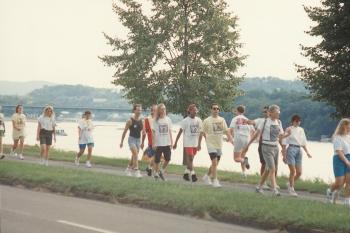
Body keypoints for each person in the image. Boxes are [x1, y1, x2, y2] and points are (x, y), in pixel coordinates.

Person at [245, 105, 290, 196]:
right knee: (272, 168)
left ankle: (259, 187)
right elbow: (256, 134)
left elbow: (280, 136)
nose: (278, 114)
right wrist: (248, 144)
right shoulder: (265, 122)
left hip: (275, 147)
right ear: (271, 113)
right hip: (266, 147)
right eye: (277, 112)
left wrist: (287, 135)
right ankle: (274, 190)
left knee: (268, 169)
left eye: (279, 112)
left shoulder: (279, 122)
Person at [198, 103, 233, 188]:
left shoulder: (222, 120)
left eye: (217, 109)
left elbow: (227, 131)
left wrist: (231, 139)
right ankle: (215, 181)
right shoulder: (207, 120)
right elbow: (201, 133)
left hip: (219, 144)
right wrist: (198, 144)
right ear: (211, 110)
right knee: (214, 162)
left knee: (215, 163)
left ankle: (207, 176)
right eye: (214, 108)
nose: (216, 110)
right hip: (210, 144)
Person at [282, 115, 312, 197]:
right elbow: (284, 143)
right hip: (291, 149)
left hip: (299, 150)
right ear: (292, 121)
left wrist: (307, 152)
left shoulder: (301, 130)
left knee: (299, 172)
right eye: (296, 121)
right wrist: (284, 156)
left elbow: (303, 142)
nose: (298, 122)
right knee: (292, 171)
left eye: (299, 121)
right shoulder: (289, 129)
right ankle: (291, 189)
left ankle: (289, 183)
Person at [173, 104, 202, 182]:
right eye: (194, 110)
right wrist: (175, 142)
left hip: (195, 143)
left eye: (196, 110)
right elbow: (180, 132)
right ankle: (193, 174)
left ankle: (186, 174)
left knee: (191, 160)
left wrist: (199, 144)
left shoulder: (198, 120)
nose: (195, 111)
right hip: (187, 143)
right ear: (190, 111)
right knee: (191, 158)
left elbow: (201, 132)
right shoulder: (185, 121)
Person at [326, 118, 350, 205]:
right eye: (347, 125)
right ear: (342, 126)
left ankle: (347, 201)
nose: (349, 127)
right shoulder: (337, 137)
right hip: (339, 159)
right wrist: (346, 161)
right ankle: (330, 191)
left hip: (349, 157)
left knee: (348, 181)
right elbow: (339, 151)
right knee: (340, 182)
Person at [120, 104, 145, 178]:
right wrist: (121, 142)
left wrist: (143, 142)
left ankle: (128, 169)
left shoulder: (142, 120)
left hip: (138, 140)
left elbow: (143, 132)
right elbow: (124, 132)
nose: (139, 111)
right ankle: (136, 171)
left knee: (134, 156)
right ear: (134, 111)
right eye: (137, 110)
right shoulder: (130, 121)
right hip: (131, 140)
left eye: (140, 110)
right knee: (136, 154)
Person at [230, 105, 254, 178]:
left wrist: (231, 138)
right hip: (247, 139)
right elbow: (253, 131)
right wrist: (250, 140)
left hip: (238, 138)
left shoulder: (235, 118)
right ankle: (244, 173)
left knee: (236, 158)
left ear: (237, 111)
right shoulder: (247, 119)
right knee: (242, 156)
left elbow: (231, 129)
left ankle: (244, 161)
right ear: (244, 111)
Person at [152, 103, 173, 181]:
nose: (164, 110)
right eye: (162, 109)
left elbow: (170, 131)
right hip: (159, 143)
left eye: (165, 108)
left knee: (168, 159)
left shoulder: (168, 119)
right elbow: (153, 132)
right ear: (159, 110)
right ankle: (156, 174)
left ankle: (161, 171)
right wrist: (153, 143)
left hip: (167, 143)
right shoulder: (156, 120)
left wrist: (172, 142)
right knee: (157, 160)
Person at [141, 105, 157, 176]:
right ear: (152, 111)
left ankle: (149, 168)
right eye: (155, 110)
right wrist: (142, 142)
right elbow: (144, 133)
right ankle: (150, 168)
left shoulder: (159, 119)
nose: (157, 111)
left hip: (160, 141)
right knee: (156, 156)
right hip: (152, 142)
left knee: (156, 156)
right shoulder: (147, 120)